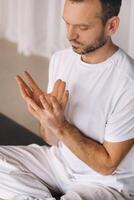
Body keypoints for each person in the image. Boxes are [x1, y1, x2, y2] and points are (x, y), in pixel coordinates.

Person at [0, 0, 134, 199]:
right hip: (59, 163)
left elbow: (107, 165)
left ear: (111, 26)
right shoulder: (60, 59)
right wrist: (48, 120)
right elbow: (52, 140)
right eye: (67, 24)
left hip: (104, 183)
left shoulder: (127, 81)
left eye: (82, 27)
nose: (70, 35)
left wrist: (61, 126)